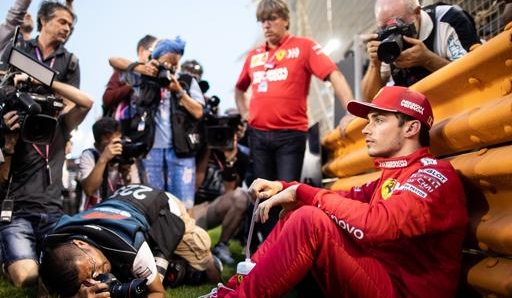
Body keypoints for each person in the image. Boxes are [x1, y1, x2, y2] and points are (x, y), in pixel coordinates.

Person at [201, 86, 468, 298]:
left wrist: (304, 193)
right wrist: (288, 188)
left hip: (404, 291)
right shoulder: (395, 174)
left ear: (411, 128)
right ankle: (232, 290)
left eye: (378, 120)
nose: (365, 128)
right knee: (300, 213)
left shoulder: (433, 174)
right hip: (383, 278)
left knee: (310, 219)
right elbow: (346, 200)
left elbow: (378, 224)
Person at [234, 0, 354, 242]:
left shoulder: (304, 46)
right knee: (262, 196)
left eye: (272, 18)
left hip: (290, 136)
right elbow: (239, 89)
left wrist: (351, 109)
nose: (266, 25)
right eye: (262, 20)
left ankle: (289, 246)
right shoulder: (254, 56)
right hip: (259, 135)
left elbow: (335, 74)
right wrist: (245, 113)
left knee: (287, 194)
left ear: (286, 19)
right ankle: (267, 250)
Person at [39, 184, 222, 298]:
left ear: (81, 244)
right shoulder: (52, 247)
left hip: (164, 207)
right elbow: (46, 288)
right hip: (123, 201)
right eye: (87, 281)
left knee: (204, 268)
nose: (97, 278)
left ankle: (213, 263)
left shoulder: (131, 248)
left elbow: (157, 292)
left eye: (93, 269)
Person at [0, 74, 93, 288]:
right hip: (17, 216)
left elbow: (87, 102)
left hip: (53, 215)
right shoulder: (12, 130)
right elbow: (1, 181)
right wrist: (8, 146)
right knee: (27, 278)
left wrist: (42, 79)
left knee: (73, 267)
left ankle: (22, 255)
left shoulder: (60, 127)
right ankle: (9, 258)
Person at [109, 36, 205, 209]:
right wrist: (142, 68)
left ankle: (186, 237)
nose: (170, 69)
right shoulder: (144, 78)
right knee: (153, 205)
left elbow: (198, 112)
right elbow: (113, 60)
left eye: (174, 65)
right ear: (156, 60)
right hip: (151, 150)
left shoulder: (186, 81)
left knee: (184, 206)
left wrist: (179, 91)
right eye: (166, 64)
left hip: (181, 152)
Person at [360, 0, 481, 100]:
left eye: (399, 24)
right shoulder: (385, 41)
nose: (392, 33)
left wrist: (428, 60)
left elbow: (474, 77)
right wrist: (374, 65)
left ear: (417, 12)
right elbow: (369, 98)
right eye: (384, 28)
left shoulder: (448, 18)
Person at [192, 117, 251, 264]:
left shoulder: (241, 158)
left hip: (215, 207)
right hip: (193, 208)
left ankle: (222, 245)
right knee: (193, 244)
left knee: (241, 197)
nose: (220, 136)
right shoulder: (201, 150)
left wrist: (229, 160)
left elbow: (229, 193)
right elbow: (195, 186)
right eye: (216, 132)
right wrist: (207, 150)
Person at [0, 0, 79, 89]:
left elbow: (79, 101)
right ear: (43, 20)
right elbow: (14, 17)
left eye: (69, 25)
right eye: (62, 22)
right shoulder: (16, 47)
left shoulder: (69, 61)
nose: (67, 29)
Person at [77, 117, 141, 211]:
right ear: (97, 145)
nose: (113, 148)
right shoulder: (89, 156)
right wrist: (103, 159)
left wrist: (126, 176)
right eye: (108, 144)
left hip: (119, 213)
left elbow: (136, 194)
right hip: (93, 214)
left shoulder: (126, 154)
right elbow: (89, 190)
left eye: (116, 142)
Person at [102, 34, 157, 118]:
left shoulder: (156, 76)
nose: (155, 56)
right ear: (141, 51)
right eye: (153, 51)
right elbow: (107, 98)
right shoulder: (125, 73)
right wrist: (132, 85)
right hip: (123, 125)